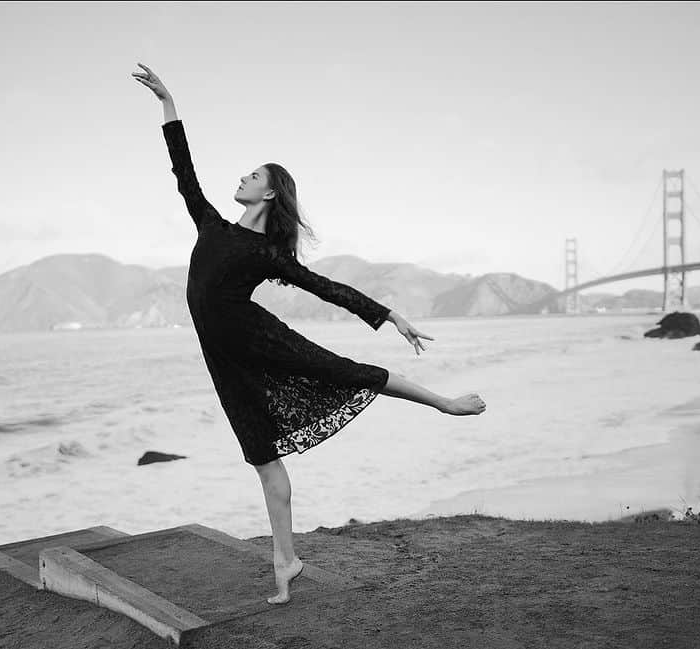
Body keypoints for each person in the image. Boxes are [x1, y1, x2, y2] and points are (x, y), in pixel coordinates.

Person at [133, 63, 487, 605]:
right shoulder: (210, 223)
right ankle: (286, 561)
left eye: (253, 176)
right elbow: (184, 171)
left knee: (348, 373)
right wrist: (168, 102)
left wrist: (389, 314)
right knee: (262, 460)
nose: (243, 178)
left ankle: (446, 404)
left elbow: (324, 286)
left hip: (259, 339)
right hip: (225, 361)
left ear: (270, 194)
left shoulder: (267, 253)